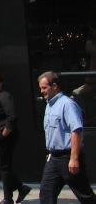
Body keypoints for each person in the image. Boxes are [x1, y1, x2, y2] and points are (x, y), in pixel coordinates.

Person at [38, 71, 96, 203]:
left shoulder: (67, 104)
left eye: (44, 88)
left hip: (67, 157)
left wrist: (74, 159)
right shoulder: (49, 105)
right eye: (40, 88)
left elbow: (76, 131)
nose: (41, 91)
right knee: (46, 194)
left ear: (55, 86)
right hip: (53, 158)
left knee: (85, 195)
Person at [0, 72, 31, 204]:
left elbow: (12, 118)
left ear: (1, 83)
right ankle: (21, 187)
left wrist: (3, 135)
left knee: (4, 167)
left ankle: (8, 199)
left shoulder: (5, 97)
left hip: (4, 137)